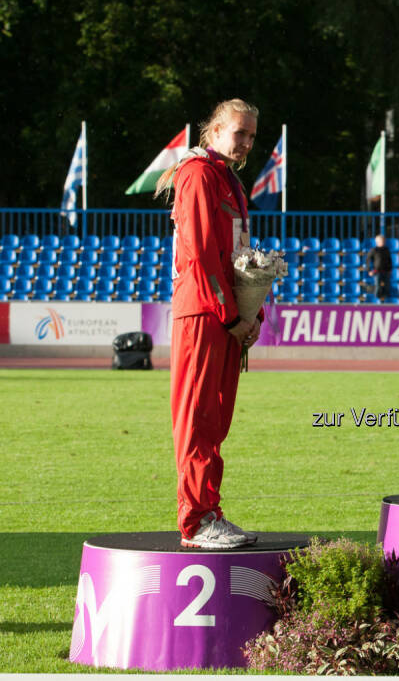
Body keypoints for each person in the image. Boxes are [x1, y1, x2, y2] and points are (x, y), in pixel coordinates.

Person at [156, 98, 263, 549]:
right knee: (198, 418)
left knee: (215, 420)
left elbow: (235, 254)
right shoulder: (199, 175)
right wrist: (234, 314)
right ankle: (196, 520)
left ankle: (210, 509)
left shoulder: (226, 179)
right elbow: (201, 256)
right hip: (203, 313)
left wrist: (253, 307)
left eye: (252, 136)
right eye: (239, 133)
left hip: (221, 315)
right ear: (214, 131)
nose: (245, 143)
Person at [366, 233, 392, 300]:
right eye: (381, 241)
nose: (383, 242)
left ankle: (387, 300)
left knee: (387, 286)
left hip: (386, 271)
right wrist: (369, 270)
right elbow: (368, 260)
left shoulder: (386, 250)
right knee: (378, 286)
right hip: (377, 271)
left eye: (383, 241)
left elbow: (389, 260)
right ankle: (376, 300)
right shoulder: (374, 250)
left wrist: (390, 269)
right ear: (377, 242)